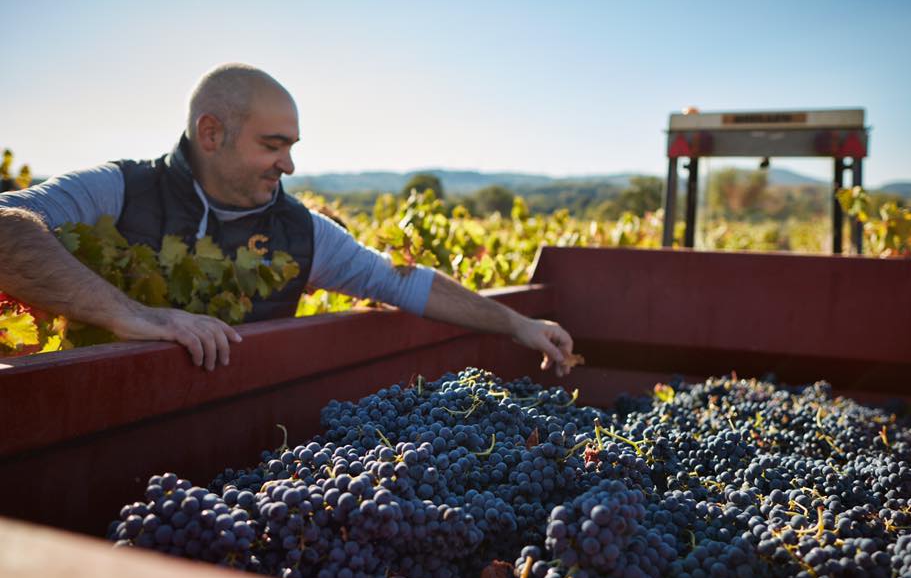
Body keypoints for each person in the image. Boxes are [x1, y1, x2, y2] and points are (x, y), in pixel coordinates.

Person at [0, 63, 574, 375]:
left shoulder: (300, 232)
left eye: (292, 145)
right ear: (211, 132)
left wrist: (515, 325)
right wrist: (137, 316)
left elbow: (400, 280)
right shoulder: (120, 191)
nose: (290, 164)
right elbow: (6, 224)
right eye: (274, 145)